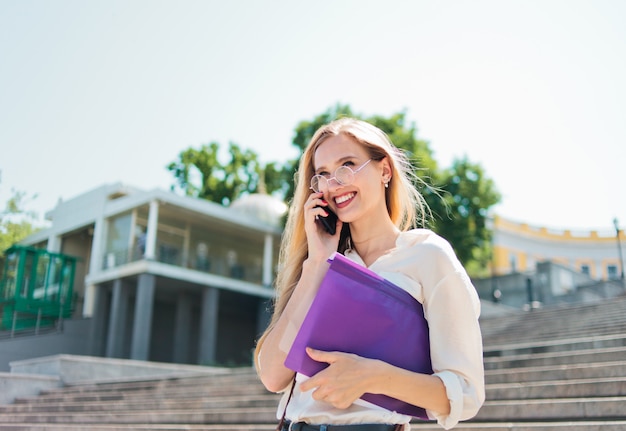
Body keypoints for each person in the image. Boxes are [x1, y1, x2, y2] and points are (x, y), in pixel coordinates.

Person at [255, 118, 485, 431]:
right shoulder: (321, 262)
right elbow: (272, 375)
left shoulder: (428, 256)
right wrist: (318, 262)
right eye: (321, 175)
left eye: (347, 164)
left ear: (385, 171)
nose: (333, 182)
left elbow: (465, 394)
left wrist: (373, 376)